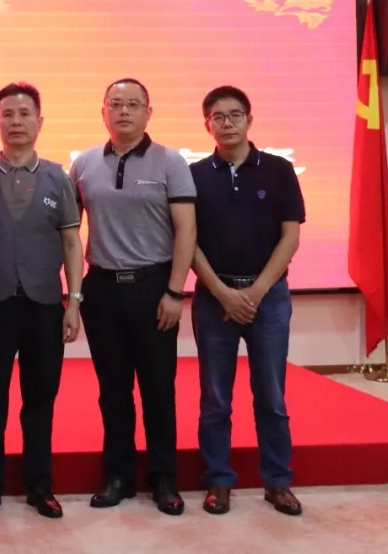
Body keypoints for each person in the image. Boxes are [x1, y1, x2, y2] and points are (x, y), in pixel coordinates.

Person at [0, 82, 84, 519]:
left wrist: (73, 302)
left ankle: (39, 485)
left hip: (43, 304)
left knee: (40, 398)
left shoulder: (57, 178)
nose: (16, 121)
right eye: (7, 114)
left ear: (39, 122)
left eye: (24, 113)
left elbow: (72, 243)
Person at [69, 78, 196, 516]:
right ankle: (118, 475)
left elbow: (186, 230)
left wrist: (176, 291)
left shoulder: (170, 162)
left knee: (158, 390)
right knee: (113, 391)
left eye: (133, 104)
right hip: (102, 290)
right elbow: (67, 233)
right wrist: (72, 294)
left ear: (148, 112)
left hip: (154, 288)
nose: (124, 111)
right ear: (103, 111)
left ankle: (164, 478)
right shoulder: (83, 164)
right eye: (116, 104)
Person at [189, 86, 305, 516]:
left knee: (271, 395)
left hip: (268, 299)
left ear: (249, 120)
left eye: (235, 115)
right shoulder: (194, 175)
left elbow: (290, 237)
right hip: (213, 299)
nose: (227, 123)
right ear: (208, 125)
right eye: (218, 117)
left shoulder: (278, 170)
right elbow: (187, 240)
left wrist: (255, 292)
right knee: (215, 398)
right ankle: (218, 481)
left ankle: (277, 481)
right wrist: (223, 293)